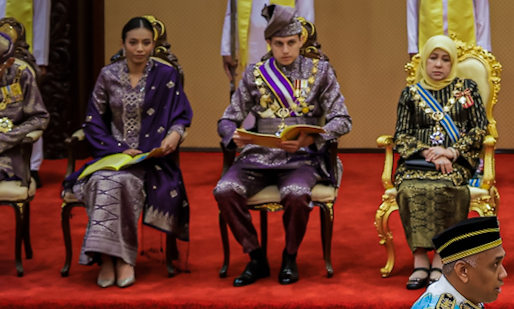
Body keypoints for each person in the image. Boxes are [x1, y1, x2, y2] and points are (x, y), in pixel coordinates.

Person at [214, 3, 351, 286]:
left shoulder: (321, 72)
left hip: (302, 158)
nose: (286, 50)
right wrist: (234, 135)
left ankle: (290, 256)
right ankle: (256, 256)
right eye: (279, 44)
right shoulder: (254, 74)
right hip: (258, 156)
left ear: (301, 40)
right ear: (269, 43)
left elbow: (343, 119)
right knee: (224, 190)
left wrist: (312, 137)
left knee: (296, 193)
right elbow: (227, 120)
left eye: (291, 43)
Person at [66, 16, 191, 289]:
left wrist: (174, 135)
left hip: (150, 161)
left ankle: (119, 259)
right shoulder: (107, 75)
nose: (139, 48)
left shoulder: (166, 75)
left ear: (153, 44)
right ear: (123, 44)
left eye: (146, 43)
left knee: (119, 183)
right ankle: (112, 258)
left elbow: (181, 116)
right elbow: (93, 122)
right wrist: (120, 149)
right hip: (111, 157)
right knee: (103, 181)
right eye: (133, 42)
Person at [392, 35, 488, 290]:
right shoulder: (410, 94)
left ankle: (441, 256)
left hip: (455, 161)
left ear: (453, 63)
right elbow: (400, 135)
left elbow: (479, 129)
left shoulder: (466, 90)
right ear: (424, 60)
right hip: (417, 163)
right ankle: (419, 257)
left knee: (446, 188)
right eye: (433, 58)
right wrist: (427, 153)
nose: (438, 64)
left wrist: (452, 152)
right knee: (411, 189)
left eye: (445, 59)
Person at [221, 0, 315, 90]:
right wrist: (227, 49)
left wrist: (304, 46)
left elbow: (306, 16)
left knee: (285, 87)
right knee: (254, 87)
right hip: (252, 44)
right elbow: (232, 13)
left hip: (285, 44)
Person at [0, 4, 48, 183]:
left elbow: (40, 118)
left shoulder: (21, 75)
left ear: (9, 62)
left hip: (9, 155)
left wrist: (6, 139)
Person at [406, 0, 490, 56]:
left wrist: (483, 47)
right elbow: (411, 9)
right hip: (429, 41)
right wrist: (413, 47)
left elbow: (482, 10)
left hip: (466, 44)